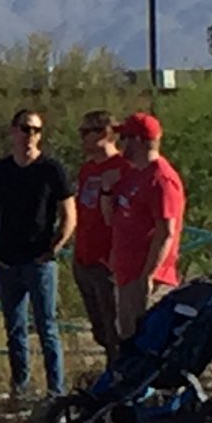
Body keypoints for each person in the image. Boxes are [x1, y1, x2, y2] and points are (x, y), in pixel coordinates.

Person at [0, 107, 75, 399]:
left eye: (35, 130)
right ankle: (20, 390)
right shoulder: (0, 171)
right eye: (25, 128)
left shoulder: (51, 170)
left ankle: (55, 393)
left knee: (47, 328)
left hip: (39, 261)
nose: (29, 135)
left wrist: (54, 248)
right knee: (15, 330)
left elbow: (69, 213)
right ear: (13, 131)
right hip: (8, 260)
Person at [104, 112, 186, 343]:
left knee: (145, 345)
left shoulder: (160, 179)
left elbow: (166, 231)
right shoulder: (133, 175)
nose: (122, 145)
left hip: (146, 277)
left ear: (138, 140)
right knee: (127, 341)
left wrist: (148, 276)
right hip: (126, 273)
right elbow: (113, 218)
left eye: (125, 138)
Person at [71, 111, 124, 364]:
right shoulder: (88, 169)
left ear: (104, 134)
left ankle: (121, 380)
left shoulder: (122, 169)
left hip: (107, 260)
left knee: (115, 328)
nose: (82, 139)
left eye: (86, 133)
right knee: (100, 330)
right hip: (84, 256)